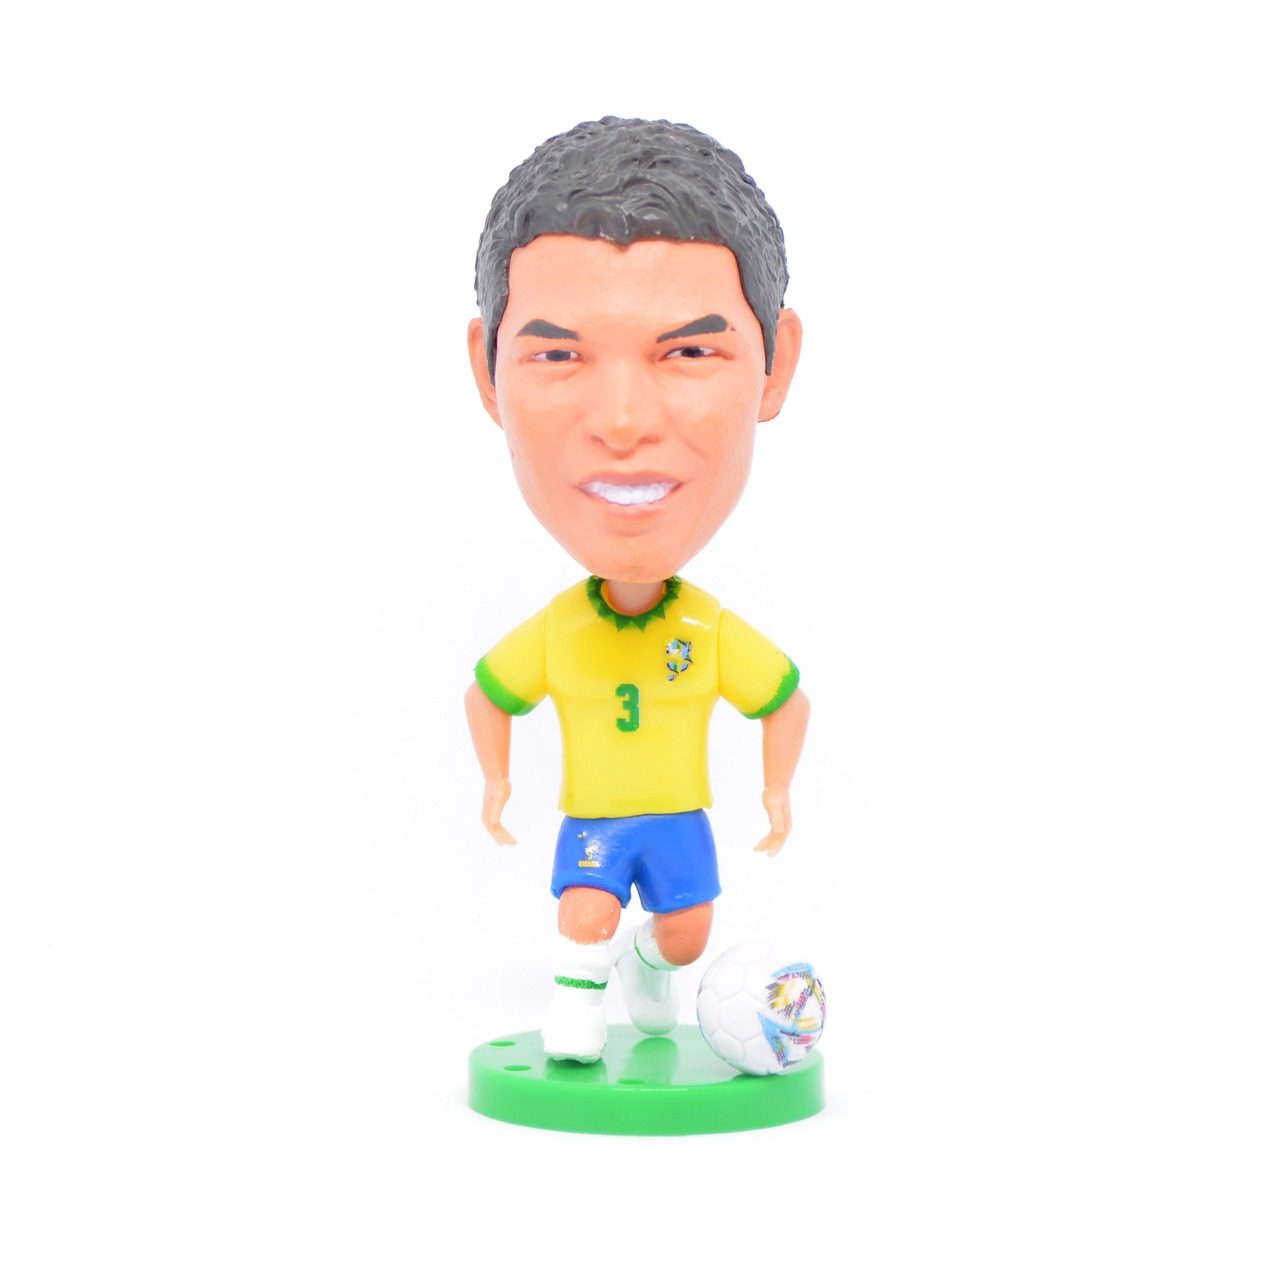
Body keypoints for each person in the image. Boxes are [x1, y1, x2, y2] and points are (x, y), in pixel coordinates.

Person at [463, 117, 810, 1062]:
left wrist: (777, 792)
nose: (622, 424)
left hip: (678, 819)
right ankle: (578, 1005)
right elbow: (490, 693)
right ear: (486, 371)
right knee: (583, 910)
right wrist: (496, 781)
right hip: (594, 821)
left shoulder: (709, 627)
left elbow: (783, 697)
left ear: (775, 364)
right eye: (558, 354)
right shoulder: (558, 630)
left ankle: (650, 966)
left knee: (687, 932)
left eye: (688, 352)